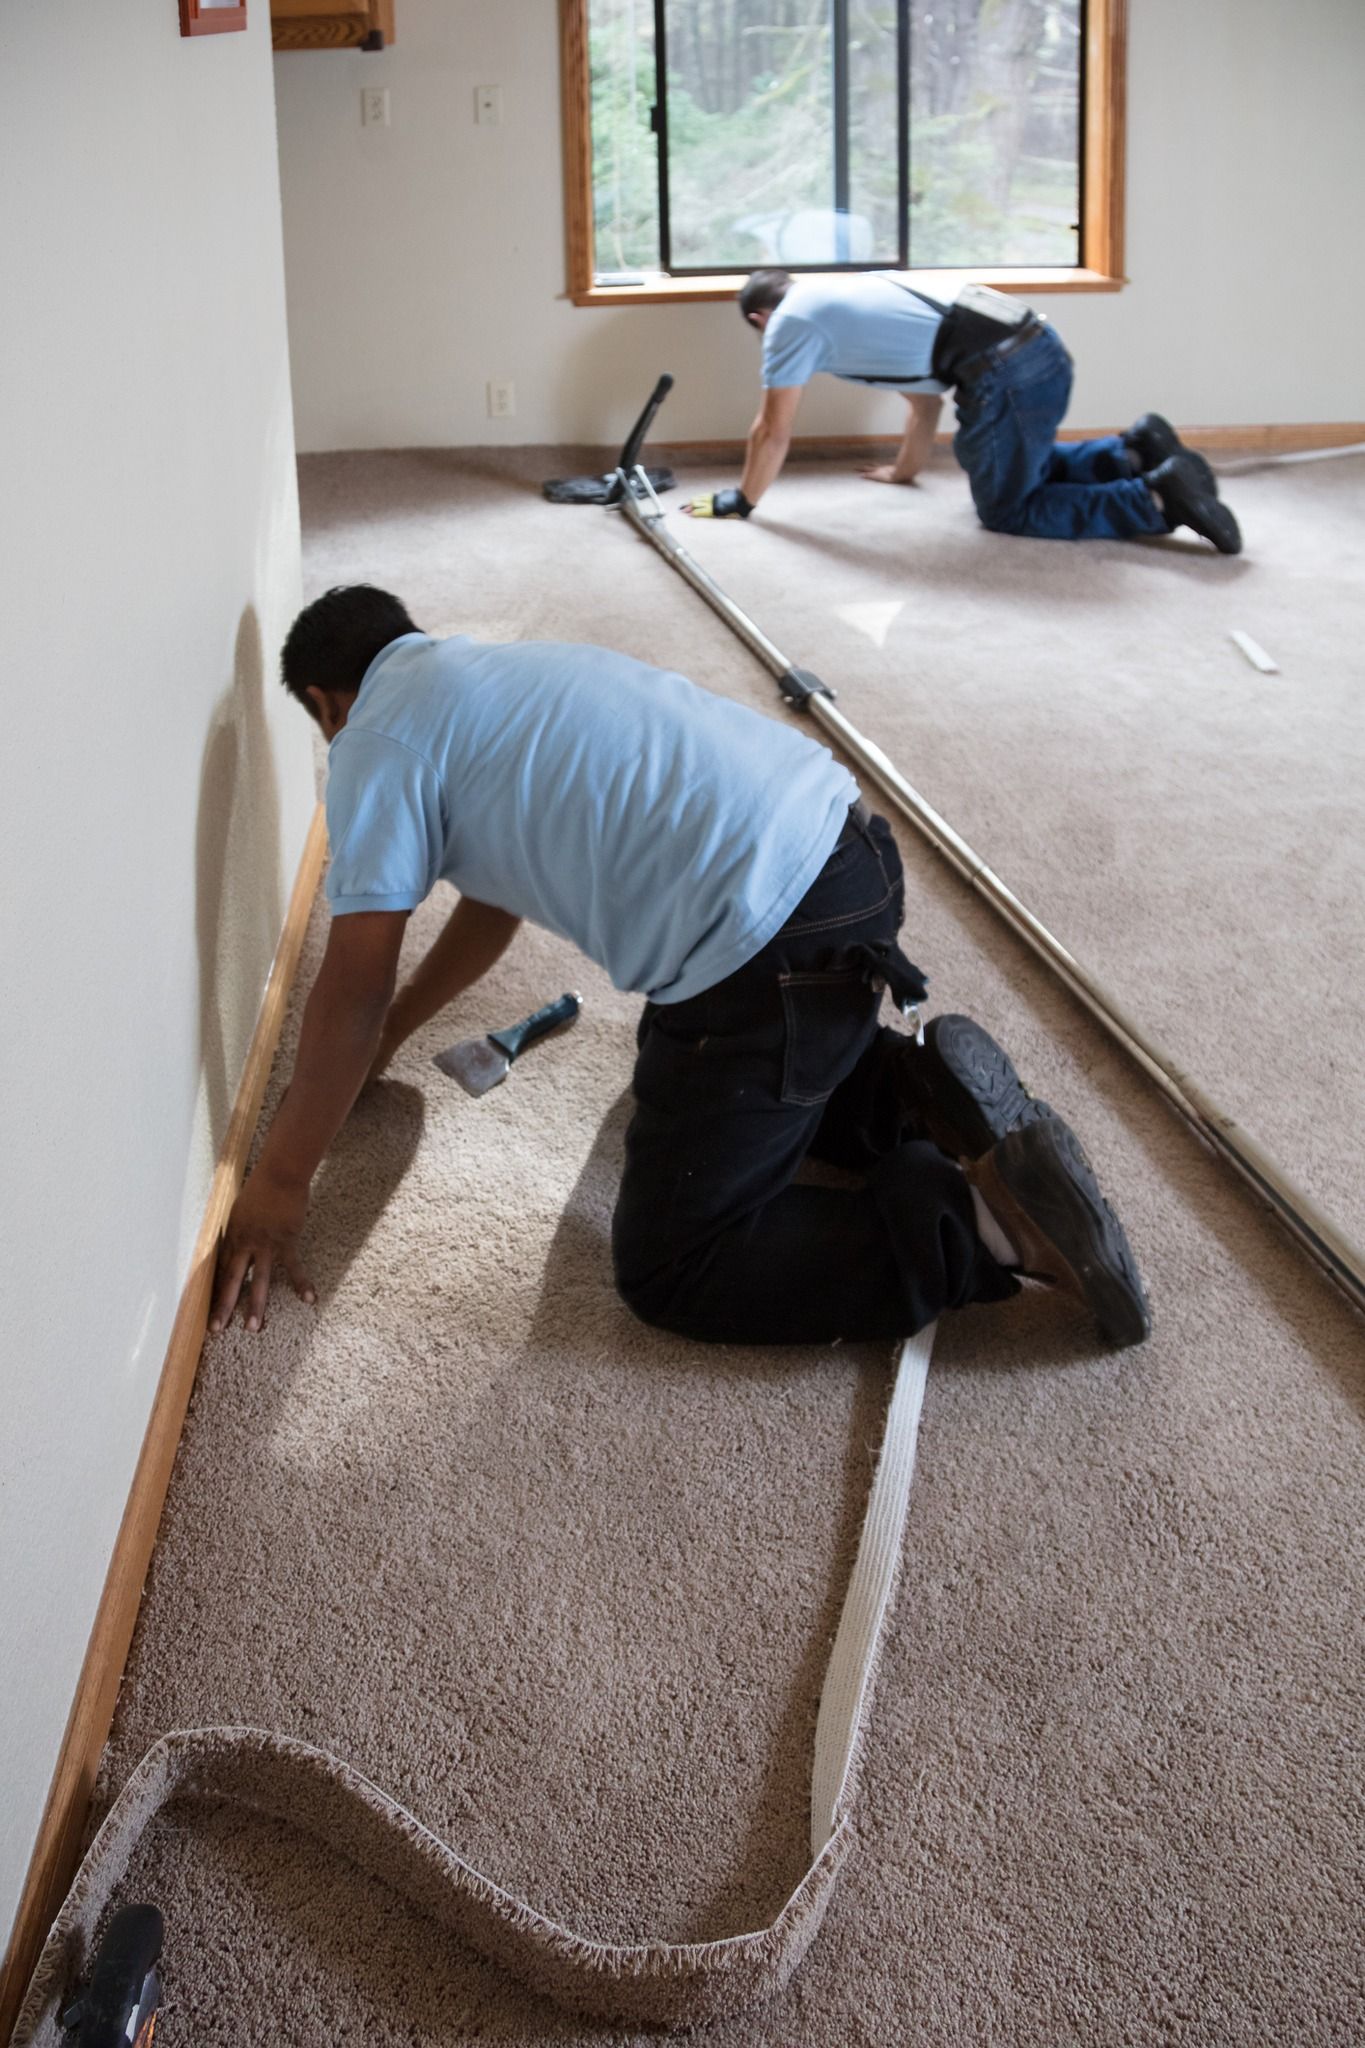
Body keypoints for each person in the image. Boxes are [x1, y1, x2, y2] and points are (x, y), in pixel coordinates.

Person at [210, 584, 1150, 1350]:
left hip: (765, 950)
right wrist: (399, 1034)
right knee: (690, 1060)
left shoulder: (372, 742)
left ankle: (981, 1226)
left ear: (327, 705)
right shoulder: (485, 671)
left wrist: (281, 1183)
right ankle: (902, 1096)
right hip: (845, 863)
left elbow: (350, 984)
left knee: (677, 1263)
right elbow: (490, 904)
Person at [685, 269, 1241, 554]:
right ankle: (1133, 451)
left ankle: (1153, 498)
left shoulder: (790, 323)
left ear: (760, 319)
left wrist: (743, 500)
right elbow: (923, 404)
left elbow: (772, 429)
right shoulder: (848, 294)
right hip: (1038, 350)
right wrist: (903, 472)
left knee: (1006, 508)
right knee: (1009, 462)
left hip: (1004, 373)